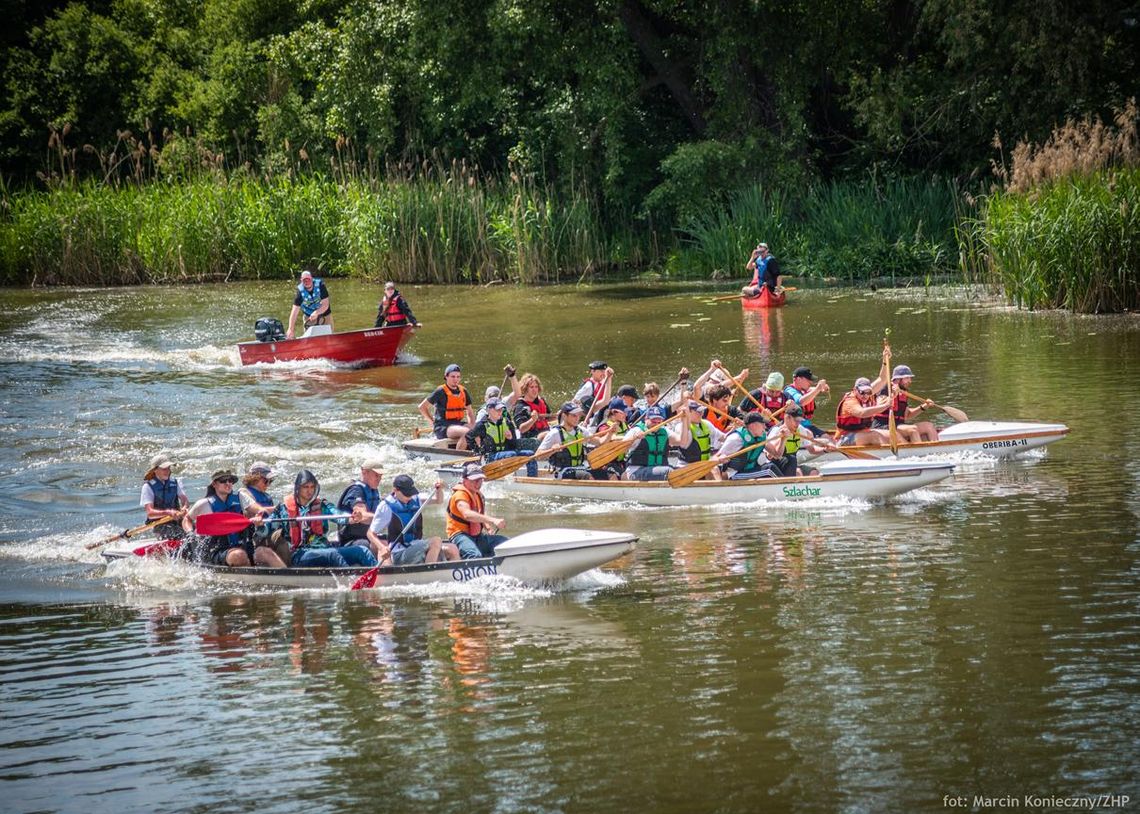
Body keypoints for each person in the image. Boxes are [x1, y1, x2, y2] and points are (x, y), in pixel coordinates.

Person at [268, 470, 376, 568]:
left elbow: (337, 515)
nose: (309, 491)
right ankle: (351, 581)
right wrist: (259, 524)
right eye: (305, 487)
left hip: (323, 548)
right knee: (332, 554)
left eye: (312, 487)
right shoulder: (283, 509)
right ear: (298, 488)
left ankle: (379, 576)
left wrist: (352, 518)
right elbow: (266, 527)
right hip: (299, 554)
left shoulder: (322, 505)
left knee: (362, 551)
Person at [367, 475, 458, 565]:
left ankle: (456, 576)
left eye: (410, 494)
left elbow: (439, 501)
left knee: (452, 549)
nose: (409, 497)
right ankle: (428, 573)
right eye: (406, 495)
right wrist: (382, 548)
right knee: (436, 541)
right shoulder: (386, 507)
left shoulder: (416, 499)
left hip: (416, 546)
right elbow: (370, 533)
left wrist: (439, 490)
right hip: (399, 552)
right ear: (395, 490)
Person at [184, 469, 257, 566]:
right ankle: (251, 576)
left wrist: (257, 518)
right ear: (214, 484)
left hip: (243, 545)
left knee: (264, 552)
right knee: (239, 555)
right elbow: (187, 519)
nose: (228, 483)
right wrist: (190, 533)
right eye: (223, 481)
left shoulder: (240, 497)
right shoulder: (204, 504)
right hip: (217, 551)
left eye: (230, 480)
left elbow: (259, 511)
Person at [446, 463, 508, 559]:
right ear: (465, 480)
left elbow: (479, 512)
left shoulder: (477, 494)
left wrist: (488, 527)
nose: (478, 484)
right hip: (459, 535)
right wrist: (493, 520)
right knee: (474, 555)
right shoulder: (460, 495)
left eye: (480, 480)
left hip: (477, 536)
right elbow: (467, 514)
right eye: (474, 480)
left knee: (505, 543)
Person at [466, 398, 538, 476]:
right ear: (489, 410)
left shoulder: (507, 423)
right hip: (491, 456)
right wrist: (479, 451)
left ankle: (532, 477)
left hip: (508, 453)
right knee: (511, 454)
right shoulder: (482, 425)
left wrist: (510, 439)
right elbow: (469, 437)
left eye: (501, 409)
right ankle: (507, 475)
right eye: (497, 409)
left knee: (530, 454)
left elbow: (514, 445)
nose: (500, 412)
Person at [237, 461, 290, 566]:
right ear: (255, 478)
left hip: (269, 531)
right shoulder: (243, 492)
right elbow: (259, 510)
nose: (268, 484)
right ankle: (289, 570)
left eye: (271, 481)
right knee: (281, 538)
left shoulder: (267, 496)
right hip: (255, 538)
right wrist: (283, 507)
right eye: (266, 481)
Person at [621, 404, 691, 481]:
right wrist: (634, 438)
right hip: (636, 471)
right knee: (668, 471)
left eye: (659, 422)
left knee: (683, 471)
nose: (656, 424)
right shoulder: (636, 431)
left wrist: (684, 420)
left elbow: (682, 442)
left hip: (658, 471)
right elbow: (622, 449)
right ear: (646, 419)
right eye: (653, 421)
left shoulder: (664, 432)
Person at [871, 365, 939, 442]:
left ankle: (938, 452)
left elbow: (907, 415)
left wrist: (923, 407)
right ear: (897, 379)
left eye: (910, 378)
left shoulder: (903, 392)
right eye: (907, 378)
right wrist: (893, 395)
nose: (910, 381)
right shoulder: (886, 388)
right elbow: (879, 407)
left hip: (899, 425)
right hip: (883, 426)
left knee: (928, 426)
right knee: (912, 430)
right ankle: (917, 453)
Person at [419, 363, 475, 450]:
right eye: (453, 376)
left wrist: (472, 424)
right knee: (467, 432)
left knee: (478, 430)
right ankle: (458, 457)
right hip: (443, 427)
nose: (455, 379)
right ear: (446, 377)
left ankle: (478, 452)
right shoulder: (440, 391)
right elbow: (422, 407)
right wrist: (432, 422)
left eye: (458, 377)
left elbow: (470, 412)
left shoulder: (463, 391)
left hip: (458, 424)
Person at [536, 402, 596, 480]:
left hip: (580, 468)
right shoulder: (554, 433)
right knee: (586, 475)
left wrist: (610, 433)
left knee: (601, 473)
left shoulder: (581, 431)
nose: (577, 418)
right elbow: (538, 456)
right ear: (564, 416)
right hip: (562, 471)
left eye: (578, 415)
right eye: (574, 415)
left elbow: (600, 441)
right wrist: (552, 450)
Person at [335, 459, 384, 554]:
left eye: (381, 476)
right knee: (365, 545)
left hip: (368, 536)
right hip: (351, 540)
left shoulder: (374, 491)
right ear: (364, 472)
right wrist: (384, 518)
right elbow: (362, 515)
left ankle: (388, 567)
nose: (379, 479)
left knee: (390, 540)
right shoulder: (356, 491)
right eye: (376, 475)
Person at [139, 454, 188, 539]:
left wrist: (184, 508)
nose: (168, 471)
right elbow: (150, 513)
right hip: (159, 524)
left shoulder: (176, 483)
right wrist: (169, 512)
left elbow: (184, 500)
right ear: (155, 470)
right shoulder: (148, 487)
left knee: (194, 530)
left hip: (176, 520)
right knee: (179, 535)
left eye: (169, 468)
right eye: (164, 469)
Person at [834, 377, 891, 446]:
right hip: (844, 438)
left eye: (868, 392)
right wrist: (885, 406)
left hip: (862, 433)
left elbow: (882, 379)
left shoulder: (868, 396)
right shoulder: (850, 401)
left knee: (891, 434)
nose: (865, 395)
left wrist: (884, 365)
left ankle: (901, 452)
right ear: (855, 390)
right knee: (874, 436)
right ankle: (887, 454)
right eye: (862, 392)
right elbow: (861, 413)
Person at [679, 399, 729, 476]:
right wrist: (685, 417)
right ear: (689, 412)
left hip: (704, 464)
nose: (701, 414)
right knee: (713, 469)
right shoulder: (681, 427)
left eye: (702, 411)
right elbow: (684, 443)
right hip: (687, 466)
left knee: (725, 473)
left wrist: (736, 430)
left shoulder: (706, 424)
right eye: (698, 412)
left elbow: (724, 437)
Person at [783, 367, 830, 438]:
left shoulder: (803, 389)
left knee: (826, 437)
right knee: (826, 437)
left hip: (805, 425)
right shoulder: (790, 391)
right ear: (798, 379)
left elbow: (811, 389)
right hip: (797, 426)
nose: (810, 382)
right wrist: (818, 389)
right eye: (808, 380)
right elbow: (801, 402)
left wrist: (822, 389)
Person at [286, 270, 332, 339]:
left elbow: (326, 305)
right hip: (309, 317)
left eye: (308, 279)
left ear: (312, 278)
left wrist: (316, 313)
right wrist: (290, 329)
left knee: (329, 338)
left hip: (325, 315)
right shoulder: (299, 292)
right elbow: (294, 312)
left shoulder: (320, 285)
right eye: (304, 280)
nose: (307, 282)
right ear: (301, 281)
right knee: (309, 341)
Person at [512, 372, 552, 451]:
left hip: (544, 434)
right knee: (549, 435)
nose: (535, 390)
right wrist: (532, 420)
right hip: (531, 439)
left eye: (536, 387)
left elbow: (548, 418)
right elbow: (522, 429)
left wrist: (560, 415)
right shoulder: (520, 406)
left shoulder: (541, 401)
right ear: (525, 389)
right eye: (531, 387)